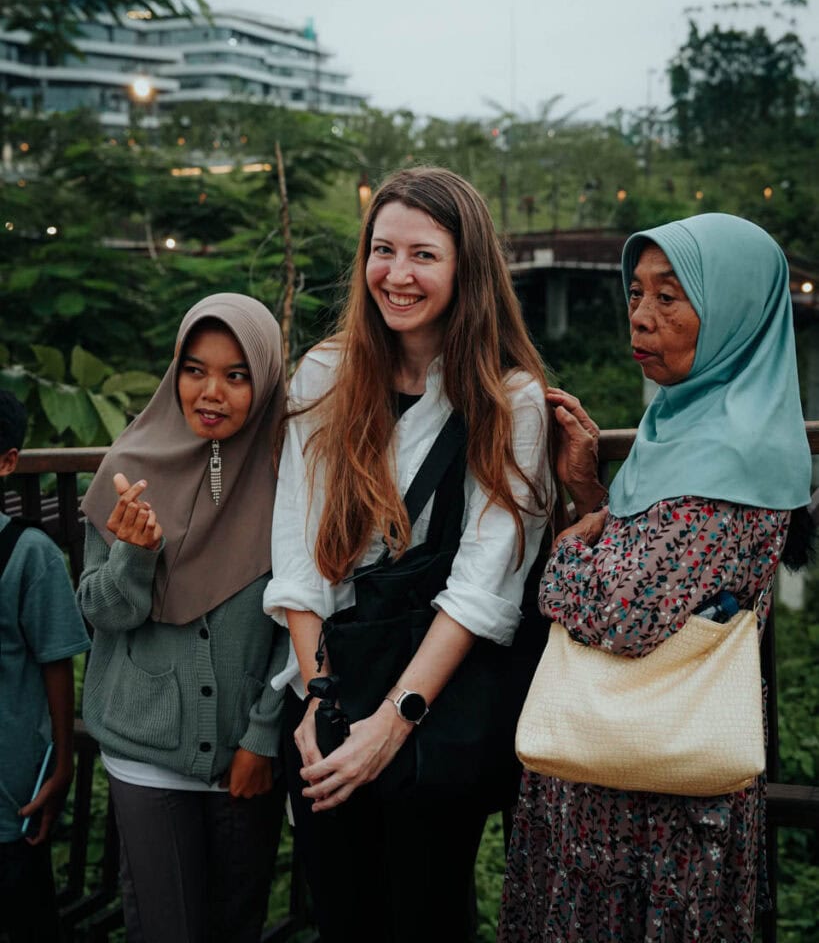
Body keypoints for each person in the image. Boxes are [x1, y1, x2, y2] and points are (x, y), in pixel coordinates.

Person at [497, 212, 814, 943]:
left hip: (655, 813)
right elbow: (649, 572)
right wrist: (593, 500)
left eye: (669, 297)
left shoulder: (729, 460)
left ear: (734, 310)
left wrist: (568, 552)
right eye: (634, 293)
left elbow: (622, 611)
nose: (640, 317)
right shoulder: (684, 426)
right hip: (616, 770)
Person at [264, 166, 555, 942]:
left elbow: (483, 585)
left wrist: (394, 723)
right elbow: (297, 546)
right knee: (341, 911)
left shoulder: (508, 397)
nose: (396, 274)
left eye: (423, 255)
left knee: (425, 911)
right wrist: (322, 699)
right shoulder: (326, 373)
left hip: (436, 698)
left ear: (466, 267)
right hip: (332, 677)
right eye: (382, 250)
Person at [77, 293, 289, 943]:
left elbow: (301, 619)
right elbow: (99, 612)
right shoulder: (128, 469)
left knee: (236, 925)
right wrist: (133, 559)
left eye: (236, 374)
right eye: (195, 369)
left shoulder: (291, 474)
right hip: (143, 754)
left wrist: (262, 735)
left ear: (266, 378)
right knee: (166, 928)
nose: (211, 391)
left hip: (245, 757)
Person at [0, 391, 91, 943]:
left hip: (11, 797)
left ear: (7, 462)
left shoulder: (28, 554)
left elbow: (58, 666)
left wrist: (62, 766)